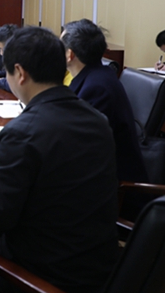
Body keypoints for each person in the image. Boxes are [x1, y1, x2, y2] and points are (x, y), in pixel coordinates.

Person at [0, 26, 118, 293]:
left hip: (42, 277)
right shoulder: (98, 121)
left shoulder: (23, 132)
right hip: (99, 269)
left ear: (19, 73)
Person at [62, 19, 148, 183]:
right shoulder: (96, 75)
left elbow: (79, 145)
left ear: (69, 55)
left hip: (114, 187)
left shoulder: (97, 88)